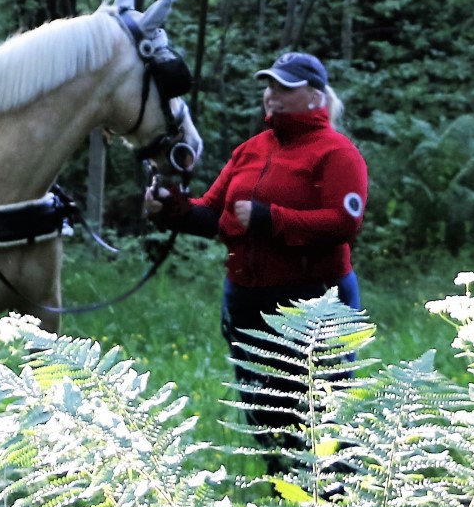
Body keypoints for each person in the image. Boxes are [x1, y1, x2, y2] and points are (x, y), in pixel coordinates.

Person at [144, 50, 368, 463]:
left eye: (285, 87)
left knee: (322, 420)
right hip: (247, 308)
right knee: (266, 418)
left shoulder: (337, 153)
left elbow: (343, 223)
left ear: (315, 97)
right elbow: (212, 215)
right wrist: (171, 207)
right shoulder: (250, 150)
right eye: (269, 86)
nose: (272, 95)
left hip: (313, 308)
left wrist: (270, 218)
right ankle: (286, 506)